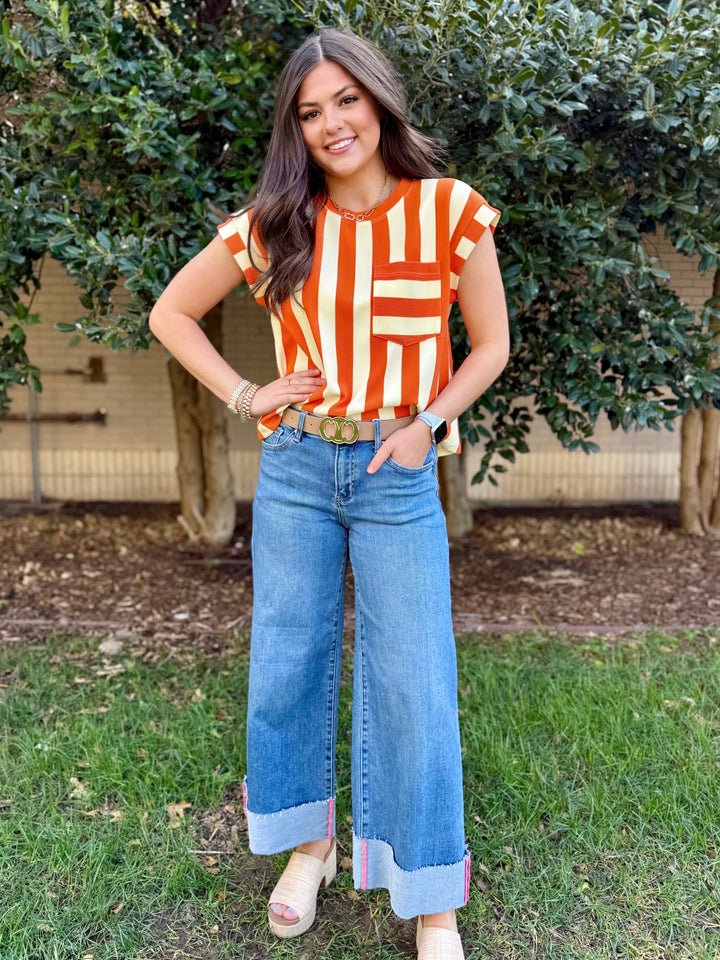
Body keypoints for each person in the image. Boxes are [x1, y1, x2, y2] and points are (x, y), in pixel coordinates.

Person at [149, 28, 509, 960]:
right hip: (300, 466)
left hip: (396, 475)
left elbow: (491, 346)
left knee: (415, 678)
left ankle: (431, 895)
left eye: (344, 100)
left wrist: (426, 425)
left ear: (378, 100)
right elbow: (170, 313)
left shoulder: (448, 212)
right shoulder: (280, 219)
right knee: (287, 659)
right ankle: (308, 844)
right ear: (295, 129)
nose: (331, 123)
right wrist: (245, 394)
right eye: (309, 112)